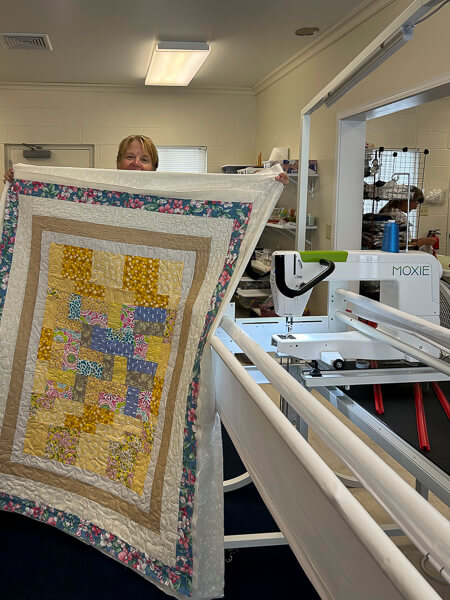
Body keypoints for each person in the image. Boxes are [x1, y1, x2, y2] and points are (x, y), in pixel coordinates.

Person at [4, 134, 289, 185]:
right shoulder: (98, 188)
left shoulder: (170, 190)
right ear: (117, 162)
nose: (135, 163)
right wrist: (22, 182)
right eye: (129, 156)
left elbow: (223, 193)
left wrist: (264, 181)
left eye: (144, 159)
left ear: (154, 167)